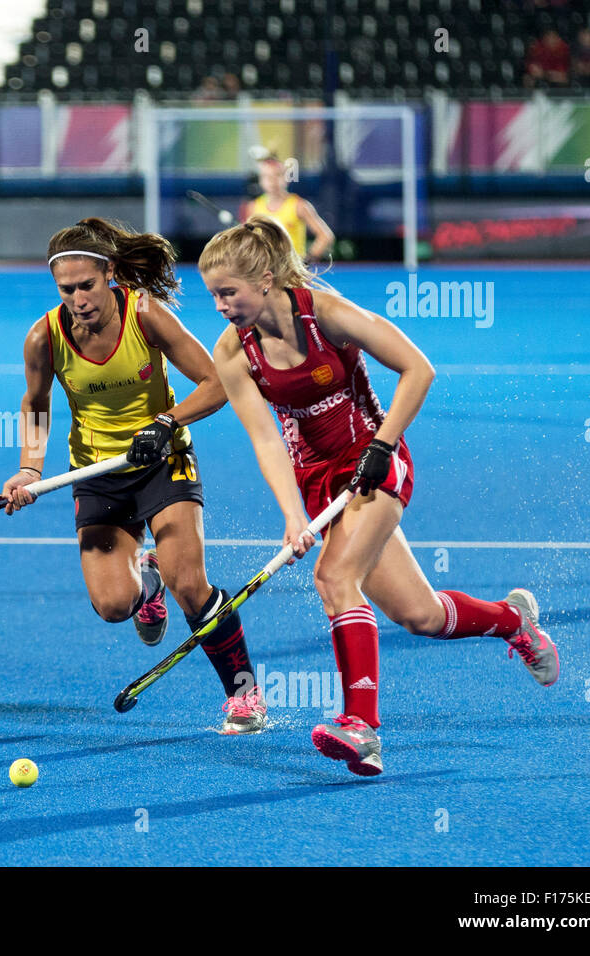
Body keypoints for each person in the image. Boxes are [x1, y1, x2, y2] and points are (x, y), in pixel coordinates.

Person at [199, 217, 559, 776]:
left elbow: (418, 369)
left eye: (228, 293)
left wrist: (383, 443)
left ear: (264, 279)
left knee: (333, 578)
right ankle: (513, 622)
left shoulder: (328, 315)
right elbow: (266, 438)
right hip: (318, 483)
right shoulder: (233, 351)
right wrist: (293, 516)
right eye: (213, 295)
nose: (220, 305)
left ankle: (361, 727)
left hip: (374, 461)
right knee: (420, 615)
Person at [1, 218, 267, 734]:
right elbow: (35, 404)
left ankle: (243, 695)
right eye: (67, 289)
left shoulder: (145, 315)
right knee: (112, 606)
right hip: (97, 472)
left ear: (111, 275)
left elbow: (220, 381)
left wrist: (168, 423)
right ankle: (146, 585)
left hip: (163, 460)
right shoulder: (44, 337)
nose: (78, 299)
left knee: (189, 585)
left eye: (87, 285)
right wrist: (29, 468)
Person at [245, 153, 334, 265]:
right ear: (261, 180)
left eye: (277, 175)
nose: (272, 181)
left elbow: (325, 236)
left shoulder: (299, 205)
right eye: (267, 177)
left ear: (286, 178)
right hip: (264, 271)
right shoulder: (253, 207)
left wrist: (305, 262)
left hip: (292, 272)